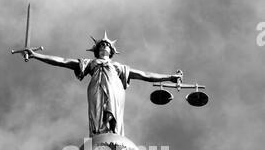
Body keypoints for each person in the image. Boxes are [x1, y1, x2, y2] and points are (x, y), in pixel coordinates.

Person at [25, 32, 182, 137]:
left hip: (115, 89)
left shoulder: (119, 67)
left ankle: (112, 134)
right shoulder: (90, 63)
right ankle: (100, 134)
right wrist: (36, 55)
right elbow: (63, 62)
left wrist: (169, 77)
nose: (104, 47)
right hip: (96, 87)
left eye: (106, 45)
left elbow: (145, 75)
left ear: (112, 50)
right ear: (97, 50)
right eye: (101, 45)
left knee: (112, 111)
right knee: (98, 113)